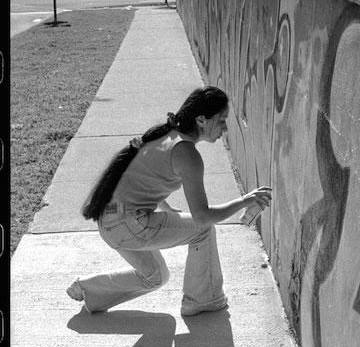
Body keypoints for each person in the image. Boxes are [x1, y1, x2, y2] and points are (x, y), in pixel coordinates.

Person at [66, 85, 272, 316]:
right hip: (128, 224)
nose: (225, 128)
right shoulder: (187, 153)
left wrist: (164, 206)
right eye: (222, 120)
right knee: (202, 229)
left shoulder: (167, 136)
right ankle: (203, 301)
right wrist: (245, 201)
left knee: (155, 277)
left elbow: (144, 176)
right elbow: (202, 217)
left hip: (111, 222)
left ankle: (87, 288)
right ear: (202, 120)